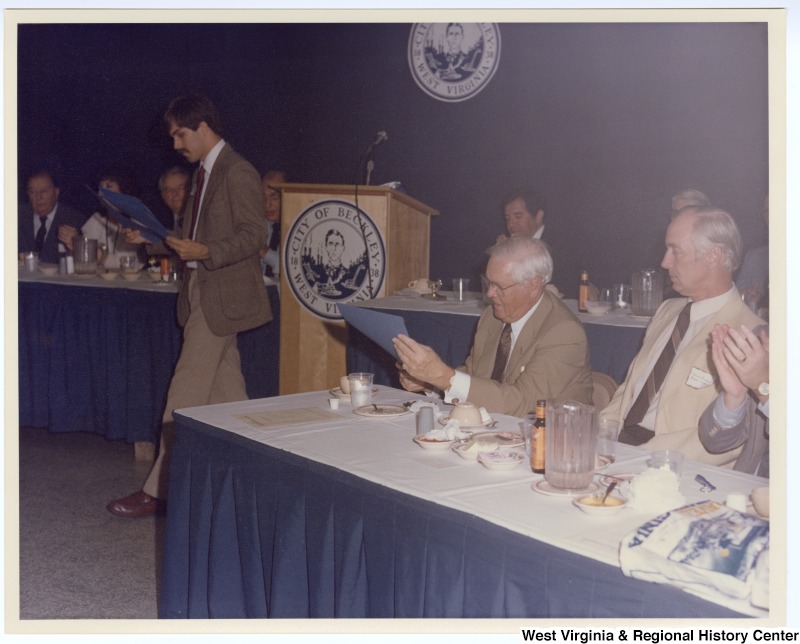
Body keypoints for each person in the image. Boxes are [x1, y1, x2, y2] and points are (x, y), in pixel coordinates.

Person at [107, 93, 271, 518]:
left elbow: (256, 236)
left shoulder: (237, 171)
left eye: (180, 134)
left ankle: (158, 489)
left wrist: (206, 250)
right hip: (200, 292)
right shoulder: (202, 174)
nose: (176, 143)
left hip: (221, 295)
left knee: (183, 394)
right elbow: (186, 236)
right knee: (228, 396)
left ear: (202, 127)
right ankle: (253, 480)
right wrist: (153, 240)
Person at [600, 206, 764, 466]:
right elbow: (630, 389)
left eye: (675, 251)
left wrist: (641, 455)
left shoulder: (750, 334)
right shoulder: (668, 311)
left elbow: (729, 440)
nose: (664, 262)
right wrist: (602, 435)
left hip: (673, 465)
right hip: (621, 449)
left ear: (713, 257)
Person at [393, 237, 593, 417]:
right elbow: (475, 376)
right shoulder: (493, 317)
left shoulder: (564, 332)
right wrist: (429, 382)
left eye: (499, 286)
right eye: (488, 282)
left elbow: (525, 403)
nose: (489, 293)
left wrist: (443, 377)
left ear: (533, 285)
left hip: (553, 443)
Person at [699, 323, 769, 477]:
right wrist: (734, 396)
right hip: (747, 488)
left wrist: (765, 389)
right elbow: (715, 443)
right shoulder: (766, 338)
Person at [57, 166, 145, 270]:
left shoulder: (138, 222)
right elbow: (84, 265)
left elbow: (124, 264)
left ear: (125, 190)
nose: (100, 193)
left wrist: (89, 249)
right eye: (100, 188)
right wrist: (73, 247)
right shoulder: (96, 219)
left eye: (108, 187)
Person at [18, 170, 87, 264]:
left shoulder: (75, 220)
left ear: (56, 192)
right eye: (32, 192)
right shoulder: (16, 217)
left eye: (44, 191)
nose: (38, 197)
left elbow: (86, 262)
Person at [735, 194, 769, 315]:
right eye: (766, 211)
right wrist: (747, 297)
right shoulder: (754, 258)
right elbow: (738, 298)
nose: (769, 216)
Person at [259, 169, 286, 278]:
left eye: (274, 197)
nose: (267, 205)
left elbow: (291, 269)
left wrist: (265, 253)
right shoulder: (258, 226)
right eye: (263, 198)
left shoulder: (300, 229)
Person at [159, 165, 191, 230]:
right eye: (169, 190)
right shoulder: (161, 223)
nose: (175, 194)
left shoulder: (201, 220)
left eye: (180, 188)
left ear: (190, 190)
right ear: (163, 196)